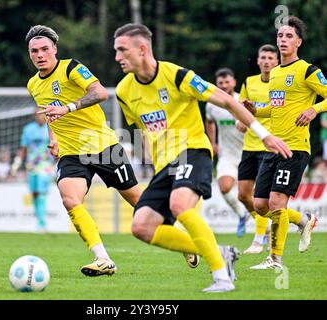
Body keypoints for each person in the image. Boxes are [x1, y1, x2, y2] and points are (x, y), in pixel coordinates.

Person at [113, 23, 291, 292]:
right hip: (166, 165)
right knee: (141, 227)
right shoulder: (124, 91)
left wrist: (264, 135)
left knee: (180, 205)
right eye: (116, 51)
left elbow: (229, 102)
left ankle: (222, 277)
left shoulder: (176, 76)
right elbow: (143, 130)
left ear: (142, 48)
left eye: (122, 50)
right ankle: (220, 252)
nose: (117, 57)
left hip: (193, 150)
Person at [25, 25, 142, 277]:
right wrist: (53, 138)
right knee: (69, 199)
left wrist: (68, 108)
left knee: (138, 202)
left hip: (102, 146)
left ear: (54, 49)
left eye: (45, 49)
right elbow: (50, 114)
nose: (40, 55)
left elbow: (99, 93)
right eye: (34, 51)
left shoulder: (71, 67)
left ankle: (184, 239)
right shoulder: (33, 84)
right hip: (71, 153)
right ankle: (102, 258)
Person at [244, 17, 326, 269]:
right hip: (272, 148)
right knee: (260, 205)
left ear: (299, 42)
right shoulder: (275, 73)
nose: (283, 40)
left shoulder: (308, 70)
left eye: (289, 36)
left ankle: (275, 260)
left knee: (278, 202)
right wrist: (255, 111)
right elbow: (276, 108)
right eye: (280, 35)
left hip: (295, 147)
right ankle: (303, 220)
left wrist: (315, 110)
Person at [237, 44, 279, 254]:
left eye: (271, 58)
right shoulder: (249, 82)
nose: (266, 61)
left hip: (269, 145)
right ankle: (271, 224)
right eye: (263, 57)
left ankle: (258, 240)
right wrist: (240, 121)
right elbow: (241, 107)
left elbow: (280, 111)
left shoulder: (280, 82)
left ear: (277, 62)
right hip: (249, 146)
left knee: (260, 197)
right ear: (258, 61)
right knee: (243, 195)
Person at [205, 68, 249, 237]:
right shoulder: (211, 104)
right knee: (224, 187)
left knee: (256, 197)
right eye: (220, 83)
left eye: (227, 82)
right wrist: (212, 142)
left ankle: (265, 231)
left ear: (234, 82)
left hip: (248, 153)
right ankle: (241, 214)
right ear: (217, 84)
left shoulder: (242, 101)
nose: (224, 86)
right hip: (227, 154)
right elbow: (209, 122)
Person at [11, 112, 55, 230]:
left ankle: (42, 222)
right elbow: (23, 148)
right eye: (38, 114)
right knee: (34, 192)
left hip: (45, 164)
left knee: (41, 192)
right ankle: (39, 220)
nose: (40, 116)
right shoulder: (28, 129)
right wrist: (17, 162)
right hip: (31, 164)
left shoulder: (51, 127)